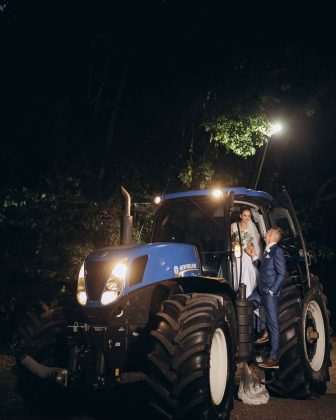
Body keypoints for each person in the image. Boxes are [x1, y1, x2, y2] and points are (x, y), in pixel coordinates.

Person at [246, 226, 287, 369]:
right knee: (245, 306)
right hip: (260, 291)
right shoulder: (267, 250)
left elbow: (282, 274)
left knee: (274, 324)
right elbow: (264, 269)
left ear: (272, 235)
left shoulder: (277, 250)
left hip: (269, 293)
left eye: (267, 232)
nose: (265, 234)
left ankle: (273, 358)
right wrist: (253, 255)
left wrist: (272, 291)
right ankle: (265, 329)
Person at [231, 207, 262, 297]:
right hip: (237, 252)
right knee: (238, 271)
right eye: (245, 215)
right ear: (241, 216)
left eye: (249, 216)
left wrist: (252, 251)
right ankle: (238, 294)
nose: (247, 218)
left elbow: (256, 242)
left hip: (248, 253)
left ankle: (248, 294)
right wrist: (234, 244)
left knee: (248, 271)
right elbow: (230, 240)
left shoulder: (252, 227)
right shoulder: (233, 226)